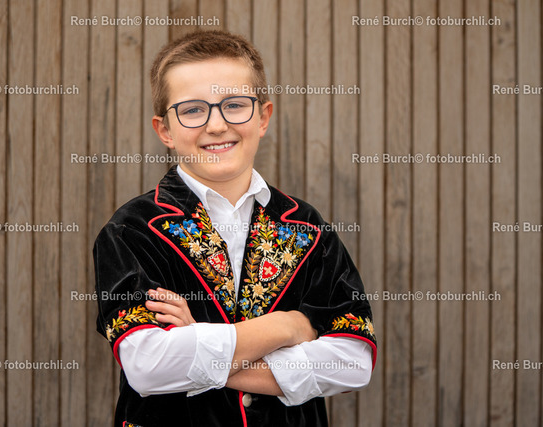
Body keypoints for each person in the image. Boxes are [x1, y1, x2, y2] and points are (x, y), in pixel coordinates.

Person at [94, 30, 376, 427]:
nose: (216, 125)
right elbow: (149, 366)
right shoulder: (132, 230)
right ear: (165, 130)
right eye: (193, 110)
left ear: (263, 117)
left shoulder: (308, 228)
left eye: (235, 105)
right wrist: (285, 326)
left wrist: (197, 341)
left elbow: (352, 362)